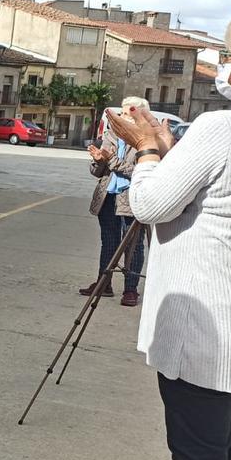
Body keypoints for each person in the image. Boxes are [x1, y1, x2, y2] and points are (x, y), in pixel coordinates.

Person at [108, 3, 231, 460]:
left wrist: (145, 148)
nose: (227, 65)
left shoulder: (222, 128)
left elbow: (149, 204)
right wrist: (169, 153)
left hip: (207, 331)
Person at [80, 97, 148, 307]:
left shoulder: (145, 140)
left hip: (131, 197)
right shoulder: (111, 134)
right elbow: (98, 172)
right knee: (108, 242)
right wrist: (99, 160)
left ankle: (130, 290)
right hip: (108, 196)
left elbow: (141, 171)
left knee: (133, 246)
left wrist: (111, 160)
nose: (122, 117)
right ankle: (104, 284)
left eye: (128, 113)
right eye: (122, 113)